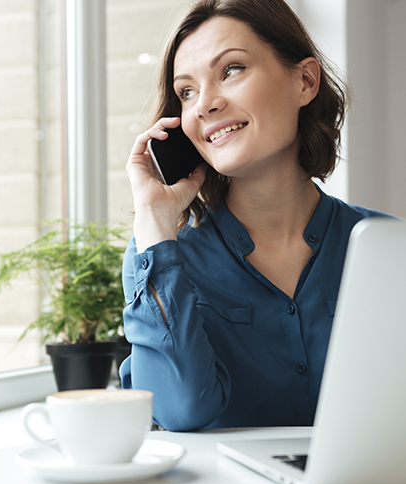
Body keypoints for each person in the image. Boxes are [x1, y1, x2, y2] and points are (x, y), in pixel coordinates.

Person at [120, 0, 391, 431]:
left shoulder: (387, 248)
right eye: (187, 92)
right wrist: (153, 216)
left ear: (304, 81)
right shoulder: (163, 262)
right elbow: (178, 410)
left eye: (231, 70)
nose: (205, 104)